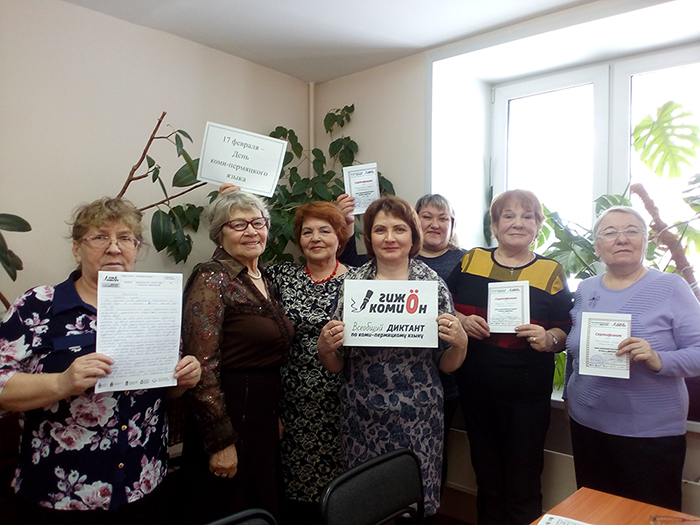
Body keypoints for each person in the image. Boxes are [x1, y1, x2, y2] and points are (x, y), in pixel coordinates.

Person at [0, 197, 201, 525]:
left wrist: (182, 379)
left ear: (136, 248)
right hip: (61, 491)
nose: (114, 247)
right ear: (77, 249)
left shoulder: (156, 304)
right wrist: (61, 382)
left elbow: (163, 392)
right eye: (99, 237)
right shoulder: (38, 305)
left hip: (143, 483)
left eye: (125, 238)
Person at [318, 195, 468, 522]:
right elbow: (337, 364)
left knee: (413, 505)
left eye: (399, 229)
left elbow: (446, 365)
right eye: (380, 229)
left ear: (413, 236)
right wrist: (325, 349)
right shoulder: (352, 284)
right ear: (369, 237)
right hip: (362, 414)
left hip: (418, 415)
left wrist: (460, 344)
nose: (389, 238)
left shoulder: (432, 285)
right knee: (365, 506)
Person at [447, 189, 572, 525]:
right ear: (494, 225)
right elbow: (442, 304)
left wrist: (548, 338)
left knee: (524, 480)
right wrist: (462, 320)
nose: (518, 223)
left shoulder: (551, 271)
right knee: (486, 476)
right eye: (508, 216)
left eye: (527, 216)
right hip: (476, 388)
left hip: (527, 394)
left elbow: (566, 328)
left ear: (538, 226)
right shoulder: (472, 260)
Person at [564, 205, 700, 511]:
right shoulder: (586, 288)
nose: (621, 238)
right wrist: (569, 398)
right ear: (597, 246)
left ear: (645, 241)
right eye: (610, 232)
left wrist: (658, 358)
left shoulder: (671, 287)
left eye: (631, 231)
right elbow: (576, 347)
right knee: (594, 512)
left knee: (648, 515)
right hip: (587, 425)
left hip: (649, 434)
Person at [180, 190, 294, 524]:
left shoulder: (264, 278)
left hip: (260, 413)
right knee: (230, 508)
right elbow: (202, 364)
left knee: (261, 505)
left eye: (258, 223)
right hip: (229, 414)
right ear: (220, 233)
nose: (251, 231)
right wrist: (221, 441)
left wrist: (273, 414)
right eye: (238, 225)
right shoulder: (212, 277)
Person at [266, 200, 352, 524]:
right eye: (307, 232)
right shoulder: (279, 276)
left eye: (324, 230)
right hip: (292, 400)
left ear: (339, 237)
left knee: (341, 491)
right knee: (295, 490)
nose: (315, 238)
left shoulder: (360, 281)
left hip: (342, 399)